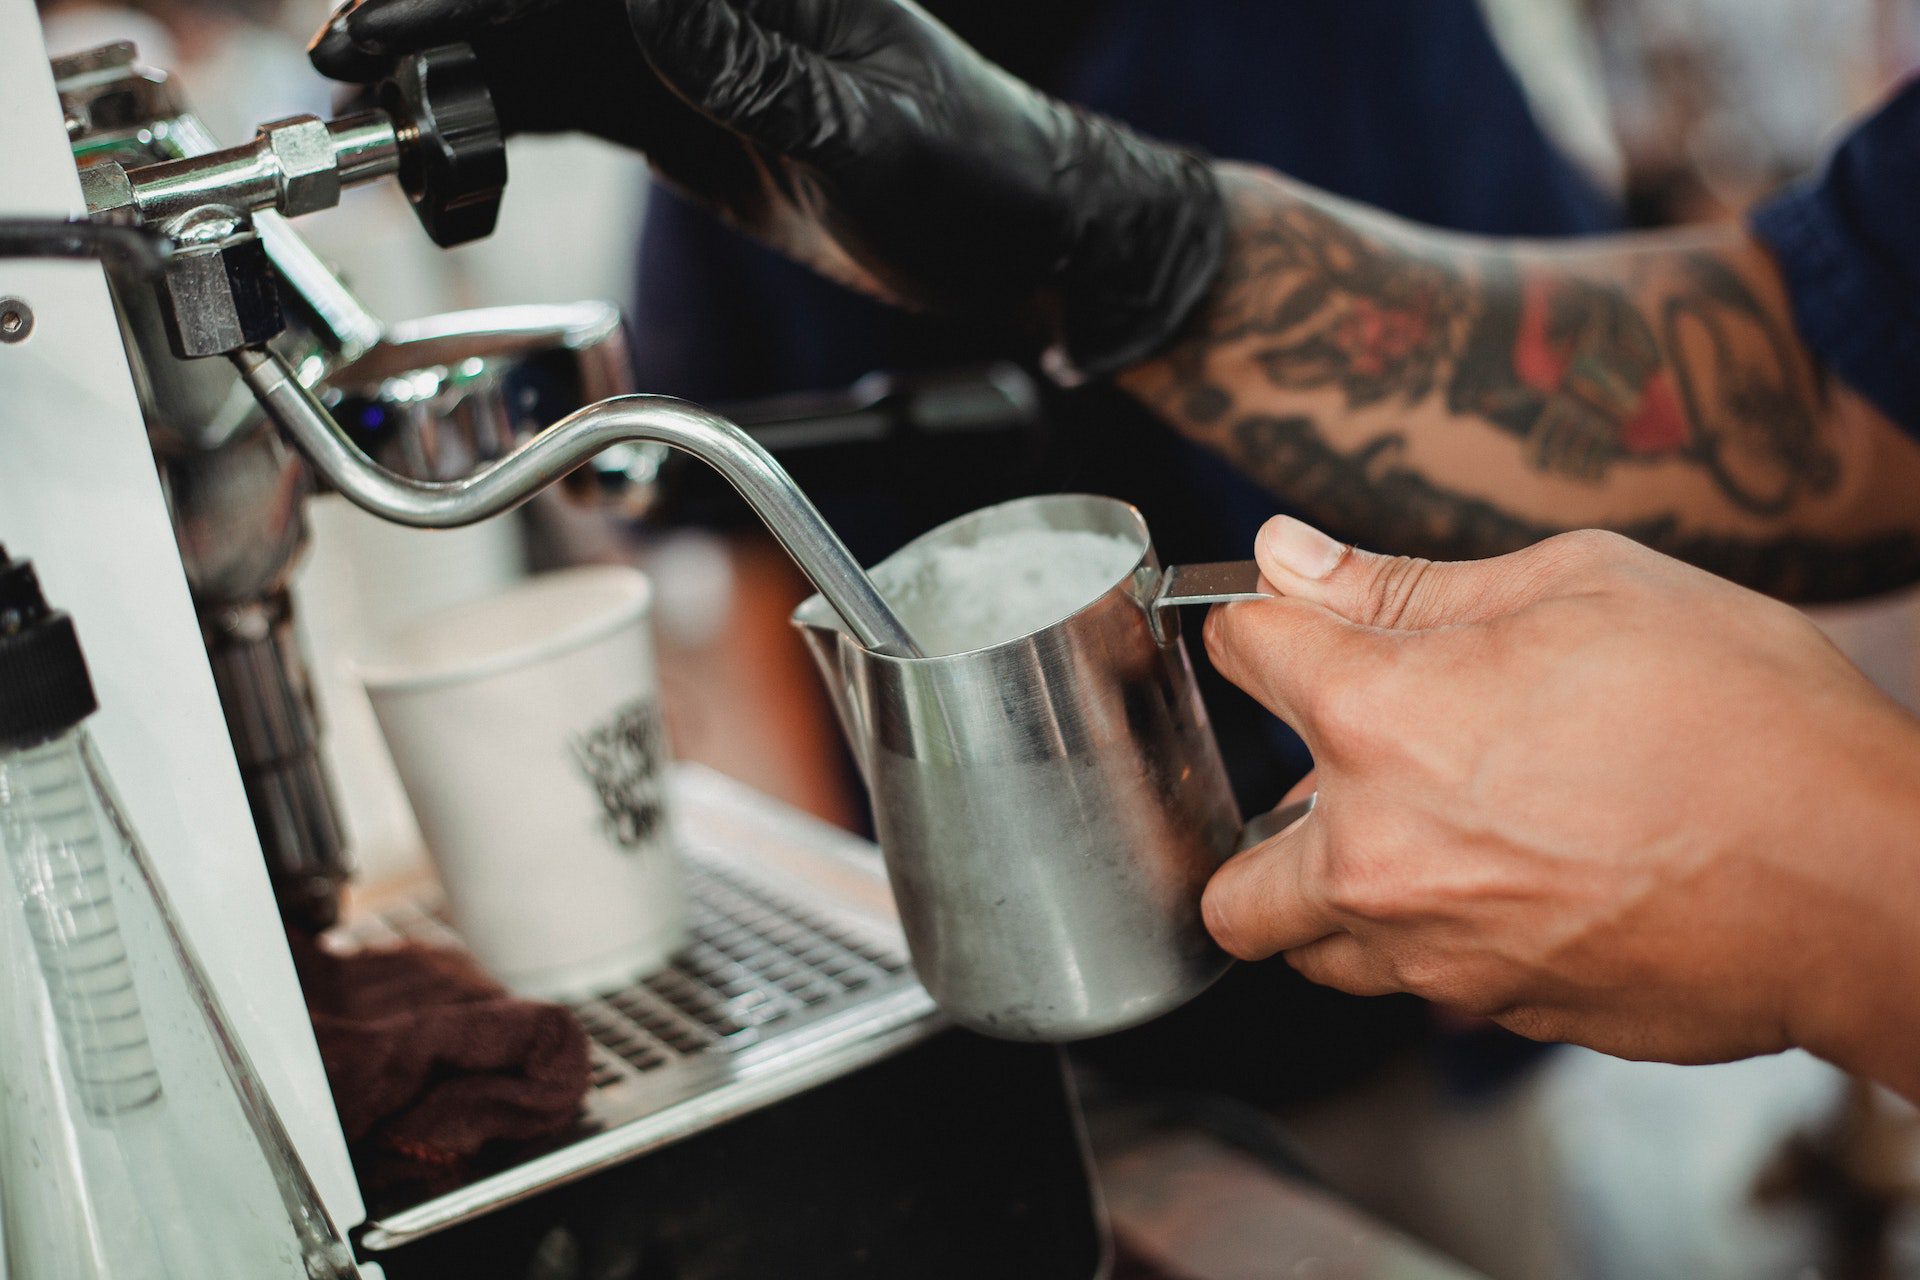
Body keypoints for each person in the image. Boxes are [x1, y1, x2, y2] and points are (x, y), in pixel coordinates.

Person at [312, 0, 1920, 1098]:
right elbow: (1825, 376)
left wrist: (1824, 874)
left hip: (1411, 1042)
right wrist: (1127, 245)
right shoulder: (797, 124)